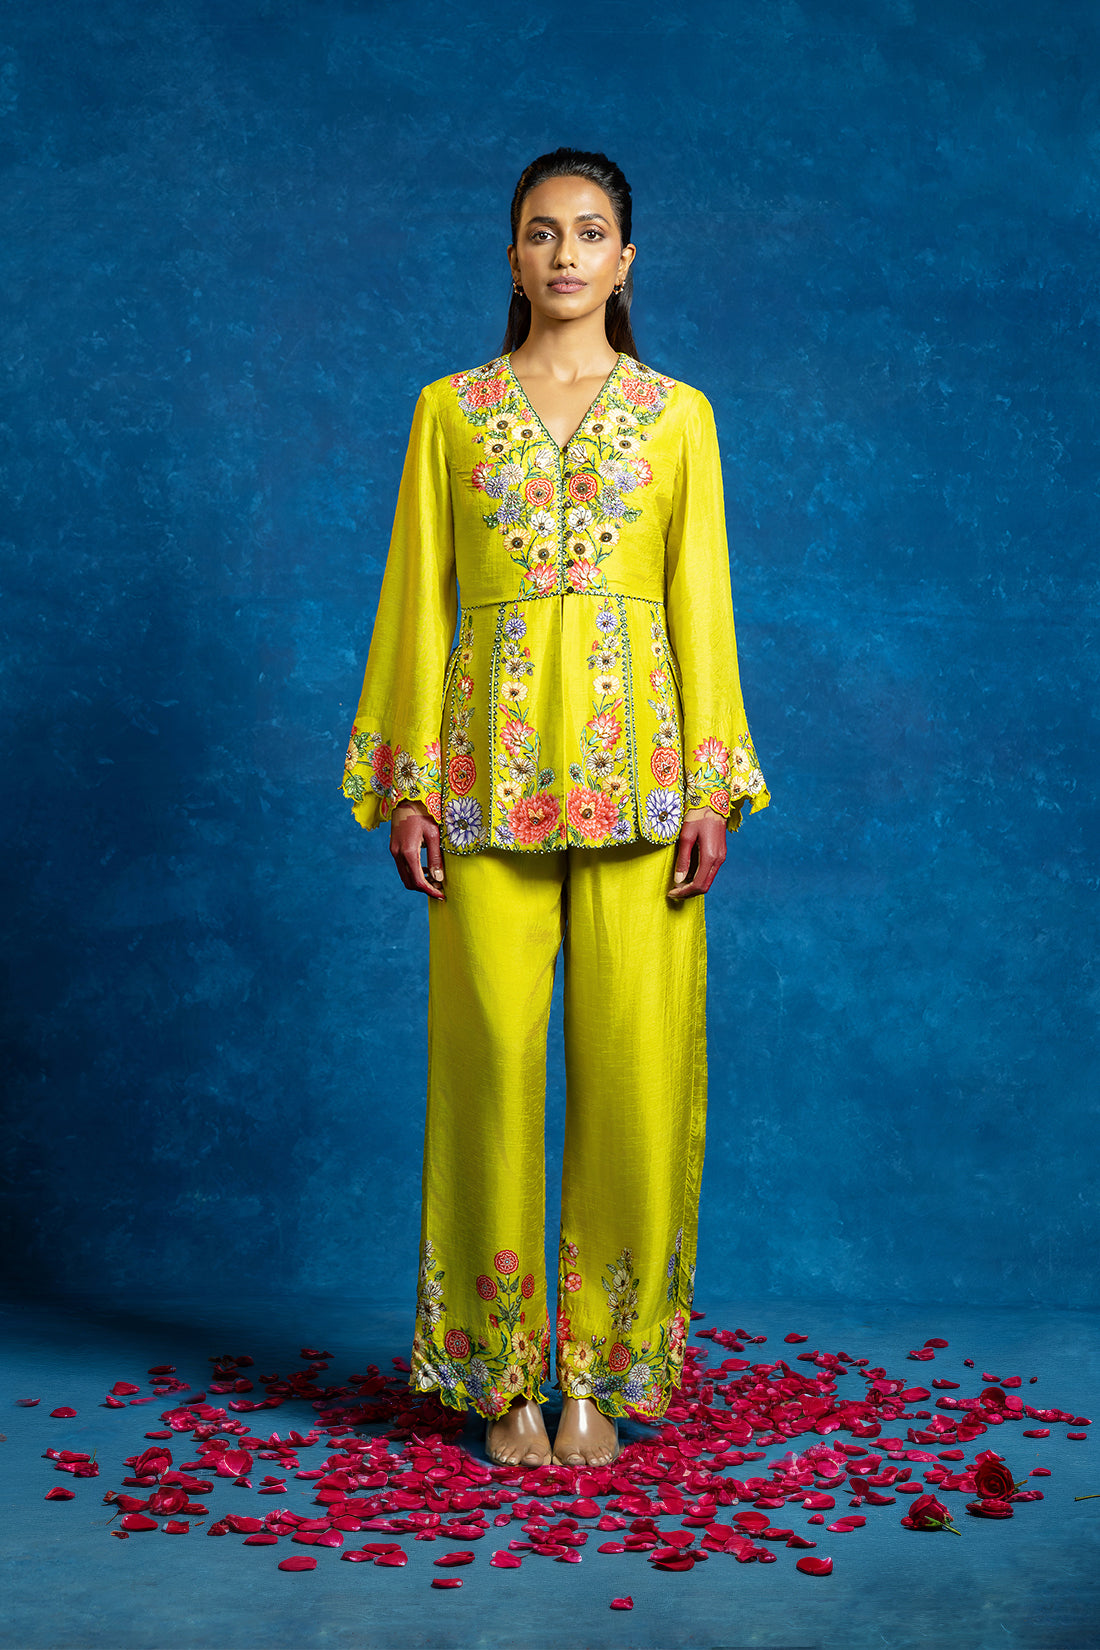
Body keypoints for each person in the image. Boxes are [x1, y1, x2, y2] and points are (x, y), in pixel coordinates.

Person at [342, 148, 768, 1469]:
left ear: (626, 261)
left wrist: (713, 783)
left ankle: (602, 1366)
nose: (566, 253)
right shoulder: (451, 414)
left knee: (634, 1073)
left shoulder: (679, 416)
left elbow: (703, 605)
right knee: (488, 1070)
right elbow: (416, 596)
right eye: (542, 231)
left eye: (590, 232)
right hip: (482, 788)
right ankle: (499, 1371)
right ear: (513, 256)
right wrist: (409, 780)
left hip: (646, 790)